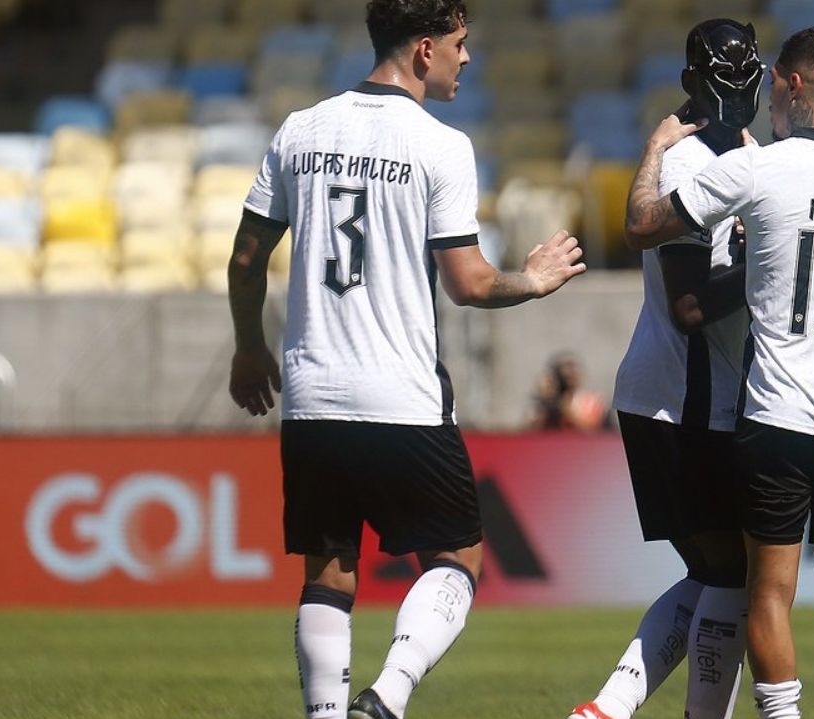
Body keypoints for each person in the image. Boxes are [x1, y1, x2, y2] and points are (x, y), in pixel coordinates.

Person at [225, 2, 585, 719]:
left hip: (313, 394)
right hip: (402, 397)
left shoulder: (301, 130)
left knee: (329, 568)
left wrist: (247, 346)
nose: (467, 58)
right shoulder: (440, 145)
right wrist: (537, 277)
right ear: (425, 50)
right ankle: (387, 697)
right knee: (459, 559)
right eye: (460, 44)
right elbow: (470, 282)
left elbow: (244, 258)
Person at [623, 25, 814, 719]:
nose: (766, 96)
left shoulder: (760, 169)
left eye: (775, 82)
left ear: (795, 85)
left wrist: (659, 149)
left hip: (776, 416)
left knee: (767, 592)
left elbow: (643, 225)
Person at [568, 19, 763, 719]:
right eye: (727, 75)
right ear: (693, 85)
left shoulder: (744, 152)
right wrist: (764, 269)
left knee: (715, 571)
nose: (741, 88)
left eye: (750, 72)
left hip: (682, 394)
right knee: (733, 575)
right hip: (686, 398)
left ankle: (606, 710)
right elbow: (689, 304)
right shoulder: (686, 166)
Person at [529, 353, 610, 432]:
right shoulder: (544, 408)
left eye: (572, 367)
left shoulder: (593, 404)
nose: (569, 372)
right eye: (563, 368)